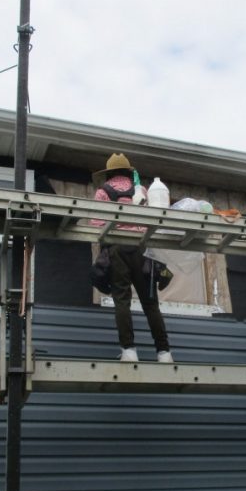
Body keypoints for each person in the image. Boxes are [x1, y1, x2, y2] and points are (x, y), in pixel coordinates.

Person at [92, 153, 174, 363]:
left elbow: (96, 225)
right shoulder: (142, 191)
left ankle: (129, 351)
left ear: (109, 173)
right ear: (129, 172)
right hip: (141, 250)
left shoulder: (103, 192)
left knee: (122, 301)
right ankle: (164, 353)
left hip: (117, 250)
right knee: (150, 303)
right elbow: (154, 220)